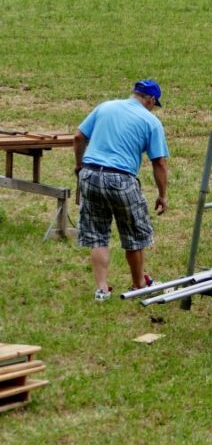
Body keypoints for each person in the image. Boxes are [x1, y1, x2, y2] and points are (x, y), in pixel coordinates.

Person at [74, 80, 169, 301]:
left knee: (98, 234)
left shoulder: (105, 107)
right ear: (151, 100)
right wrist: (163, 194)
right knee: (134, 235)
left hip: (90, 174)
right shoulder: (151, 121)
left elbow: (78, 136)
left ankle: (102, 289)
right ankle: (139, 284)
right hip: (121, 179)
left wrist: (79, 166)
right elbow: (159, 162)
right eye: (155, 104)